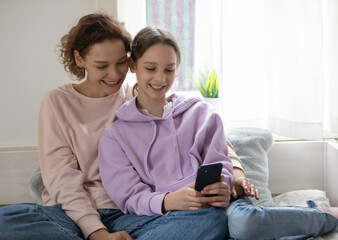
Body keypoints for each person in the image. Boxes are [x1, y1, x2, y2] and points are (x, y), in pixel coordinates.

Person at [0, 12, 256, 240]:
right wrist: (97, 232)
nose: (114, 75)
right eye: (102, 66)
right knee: (8, 220)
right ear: (79, 59)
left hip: (130, 212)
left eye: (121, 63)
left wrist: (236, 173)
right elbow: (62, 180)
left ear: (131, 62)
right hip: (73, 213)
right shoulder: (57, 102)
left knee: (210, 220)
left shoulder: (137, 93)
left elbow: (209, 135)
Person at [98, 25, 233, 239]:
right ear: (133, 65)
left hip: (203, 210)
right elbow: (129, 197)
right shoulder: (115, 135)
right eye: (150, 69)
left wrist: (224, 187)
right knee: (214, 220)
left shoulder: (203, 114)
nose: (160, 79)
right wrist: (168, 200)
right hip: (149, 217)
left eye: (169, 69)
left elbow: (221, 164)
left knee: (224, 216)